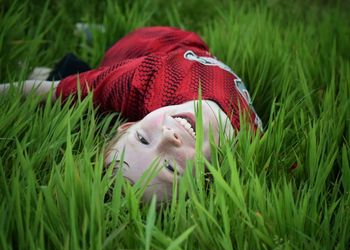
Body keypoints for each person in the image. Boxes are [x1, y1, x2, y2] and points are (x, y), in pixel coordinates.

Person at [0, 26, 263, 203]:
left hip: (150, 46)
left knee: (85, 89)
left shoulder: (150, 80)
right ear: (203, 181)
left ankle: (83, 47)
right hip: (185, 57)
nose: (167, 137)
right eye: (171, 167)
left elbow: (67, 90)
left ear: (128, 126)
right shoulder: (248, 144)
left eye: (143, 139)